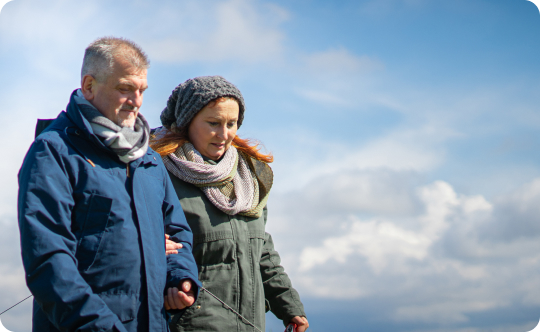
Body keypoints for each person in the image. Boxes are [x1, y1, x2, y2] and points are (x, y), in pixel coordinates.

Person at [18, 37, 201, 332]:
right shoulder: (52, 151)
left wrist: (181, 279)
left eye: (141, 90)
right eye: (125, 88)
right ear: (89, 86)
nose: (137, 101)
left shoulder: (149, 160)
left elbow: (177, 235)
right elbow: (48, 261)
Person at [151, 76, 309, 332]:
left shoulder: (249, 176)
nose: (224, 135)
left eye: (232, 123)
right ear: (187, 122)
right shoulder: (156, 172)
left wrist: (289, 306)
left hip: (251, 324)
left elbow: (262, 250)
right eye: (213, 123)